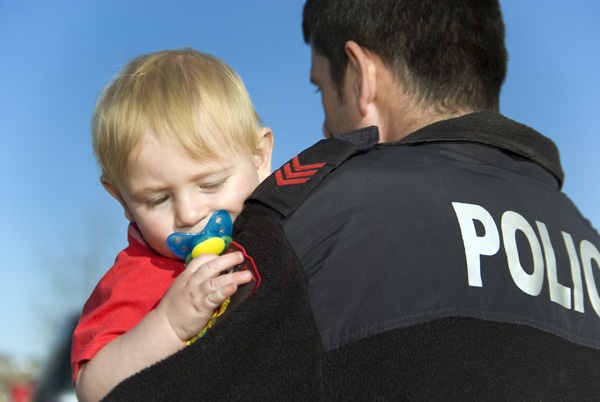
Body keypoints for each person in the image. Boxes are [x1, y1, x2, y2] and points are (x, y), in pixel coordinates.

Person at [102, 1, 600, 400]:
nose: (322, 123)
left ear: (361, 77)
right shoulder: (586, 241)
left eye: (321, 88)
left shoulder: (312, 220)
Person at [71, 48, 274, 401]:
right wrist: (168, 325)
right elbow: (92, 389)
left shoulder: (283, 231)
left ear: (259, 158)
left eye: (210, 184)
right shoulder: (135, 278)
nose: (189, 214)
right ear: (122, 200)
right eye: (157, 199)